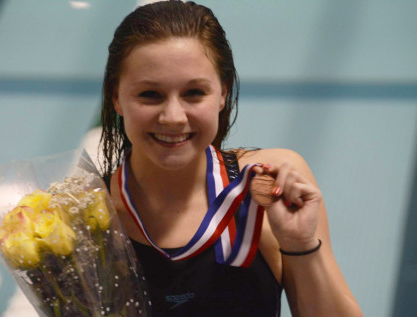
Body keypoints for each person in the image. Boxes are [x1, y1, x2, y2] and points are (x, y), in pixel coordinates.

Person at [99, 1, 363, 316]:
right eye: (150, 95)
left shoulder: (267, 186)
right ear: (117, 97)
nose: (173, 117)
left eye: (194, 92)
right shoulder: (83, 216)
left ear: (223, 93)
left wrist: (299, 243)